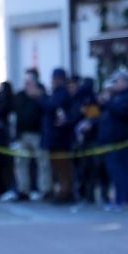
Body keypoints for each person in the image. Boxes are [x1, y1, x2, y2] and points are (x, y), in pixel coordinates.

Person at [95, 69, 128, 210]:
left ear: (126, 82)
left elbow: (122, 113)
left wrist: (108, 102)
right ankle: (118, 199)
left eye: (117, 81)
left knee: (121, 170)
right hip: (110, 140)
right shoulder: (116, 96)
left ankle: (124, 200)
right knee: (114, 171)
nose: (114, 84)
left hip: (121, 140)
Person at [12, 68, 50, 202]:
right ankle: (23, 190)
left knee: (43, 163)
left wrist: (38, 96)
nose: (26, 84)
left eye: (29, 81)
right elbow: (16, 114)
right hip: (23, 135)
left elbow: (46, 109)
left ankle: (45, 190)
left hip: (37, 134)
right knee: (20, 163)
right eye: (25, 81)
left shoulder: (41, 94)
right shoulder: (20, 96)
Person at [42, 68, 76, 204]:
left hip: (59, 138)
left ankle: (65, 192)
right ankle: (63, 191)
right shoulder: (58, 93)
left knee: (63, 167)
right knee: (58, 167)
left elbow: (51, 106)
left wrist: (40, 98)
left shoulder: (61, 93)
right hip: (56, 138)